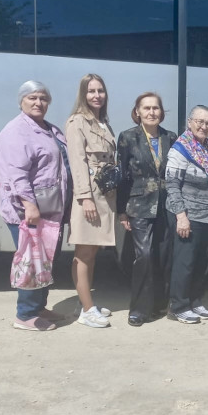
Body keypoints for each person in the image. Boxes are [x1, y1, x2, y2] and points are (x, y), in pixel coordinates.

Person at [0, 81, 70, 331]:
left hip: (49, 207)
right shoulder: (16, 131)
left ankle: (39, 307)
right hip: (28, 211)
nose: (38, 103)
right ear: (21, 101)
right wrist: (29, 205)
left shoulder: (48, 128)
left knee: (46, 259)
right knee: (31, 259)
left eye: (43, 98)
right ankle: (25, 315)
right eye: (32, 98)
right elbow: (16, 174)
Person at [117, 92, 177, 327]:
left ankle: (159, 304)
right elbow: (122, 175)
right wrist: (122, 210)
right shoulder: (128, 137)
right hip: (139, 204)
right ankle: (139, 309)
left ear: (161, 112)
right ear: (138, 112)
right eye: (147, 108)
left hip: (166, 205)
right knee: (144, 256)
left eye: (156, 108)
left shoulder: (170, 137)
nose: (152, 112)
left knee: (164, 255)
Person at [65, 73, 116, 329]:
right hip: (90, 196)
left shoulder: (103, 122)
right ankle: (86, 310)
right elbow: (78, 162)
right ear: (83, 94)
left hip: (105, 196)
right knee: (83, 254)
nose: (97, 95)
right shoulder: (77, 122)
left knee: (91, 253)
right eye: (91, 91)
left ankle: (85, 302)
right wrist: (85, 198)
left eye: (100, 91)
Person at [165, 105, 208, 324]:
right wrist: (181, 216)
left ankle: (195, 300)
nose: (203, 126)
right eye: (199, 121)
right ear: (189, 122)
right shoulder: (181, 149)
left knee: (202, 261)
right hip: (187, 215)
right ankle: (178, 306)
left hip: (207, 215)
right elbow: (171, 184)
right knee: (185, 262)